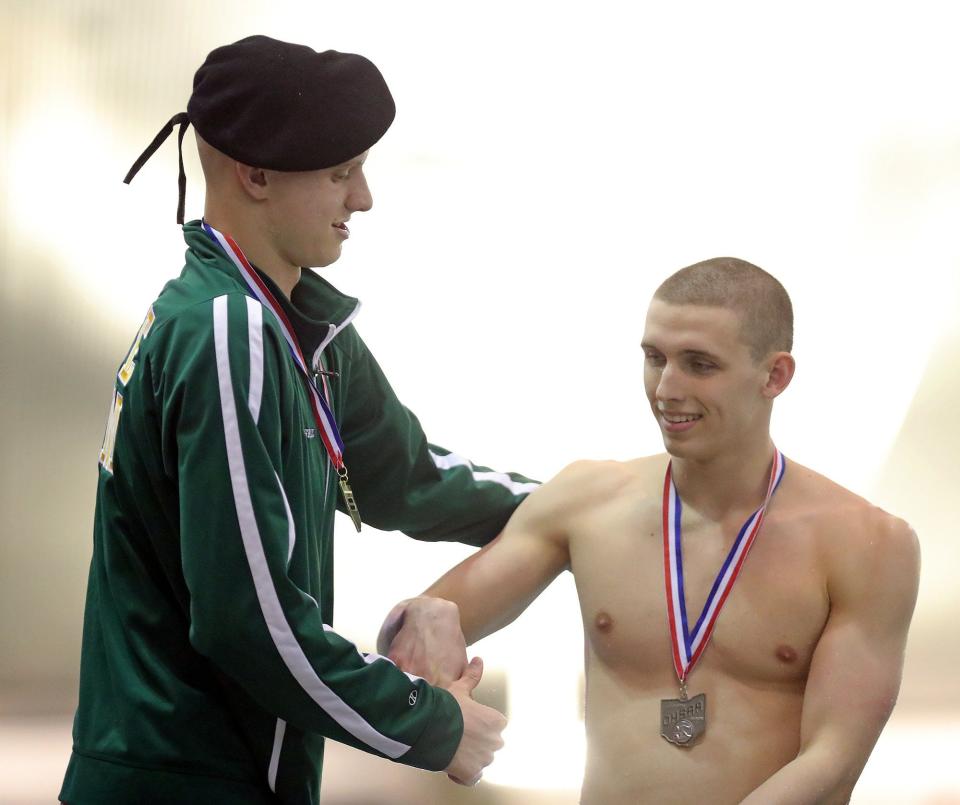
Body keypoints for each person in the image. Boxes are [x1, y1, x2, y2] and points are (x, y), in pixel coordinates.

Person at [60, 35, 537, 804]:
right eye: (342, 173)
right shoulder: (226, 331)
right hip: (180, 782)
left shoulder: (290, 325)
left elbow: (406, 476)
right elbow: (248, 622)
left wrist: (591, 509)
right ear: (255, 174)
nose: (364, 199)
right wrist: (434, 723)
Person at [379, 257, 921, 804]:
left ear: (774, 375)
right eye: (654, 358)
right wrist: (428, 640)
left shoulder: (864, 543)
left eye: (700, 365)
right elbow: (413, 641)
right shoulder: (585, 500)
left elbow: (834, 755)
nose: (666, 388)